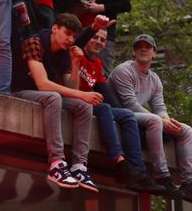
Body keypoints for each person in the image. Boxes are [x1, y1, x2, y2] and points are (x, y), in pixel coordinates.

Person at [110, 35, 192, 208]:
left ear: (154, 53)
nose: (143, 49)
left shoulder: (155, 79)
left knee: (185, 129)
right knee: (155, 121)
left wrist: (167, 119)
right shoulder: (124, 70)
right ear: (133, 52)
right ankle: (162, 175)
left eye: (147, 47)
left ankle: (190, 183)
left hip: (140, 118)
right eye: (139, 47)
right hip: (120, 115)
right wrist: (160, 120)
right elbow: (130, 104)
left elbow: (159, 107)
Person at [15, 13, 104, 191]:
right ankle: (57, 163)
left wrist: (76, 63)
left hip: (45, 95)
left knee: (84, 105)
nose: (70, 39)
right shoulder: (34, 42)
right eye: (67, 33)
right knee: (54, 97)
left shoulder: (65, 51)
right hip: (19, 92)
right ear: (55, 28)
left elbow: (71, 88)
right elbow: (43, 85)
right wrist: (81, 94)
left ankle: (79, 166)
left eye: (74, 36)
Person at [69, 28, 165, 194]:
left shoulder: (97, 63)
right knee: (106, 108)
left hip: (91, 103)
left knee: (126, 115)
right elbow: (75, 43)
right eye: (94, 37)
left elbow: (105, 93)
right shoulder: (76, 52)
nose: (98, 41)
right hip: (73, 99)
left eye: (102, 39)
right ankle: (120, 162)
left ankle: (138, 171)